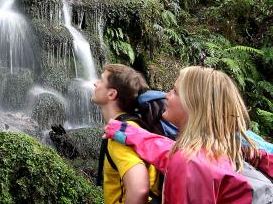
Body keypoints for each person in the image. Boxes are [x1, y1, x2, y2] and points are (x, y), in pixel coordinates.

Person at [103, 66, 273, 203]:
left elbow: (184, 163)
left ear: (194, 107)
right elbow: (171, 153)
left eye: (175, 92)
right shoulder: (221, 148)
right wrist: (129, 133)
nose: (166, 96)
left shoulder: (189, 164)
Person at [92, 64, 161, 204]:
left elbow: (139, 189)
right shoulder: (132, 126)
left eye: (101, 80)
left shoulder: (121, 136)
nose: (95, 83)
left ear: (111, 94)